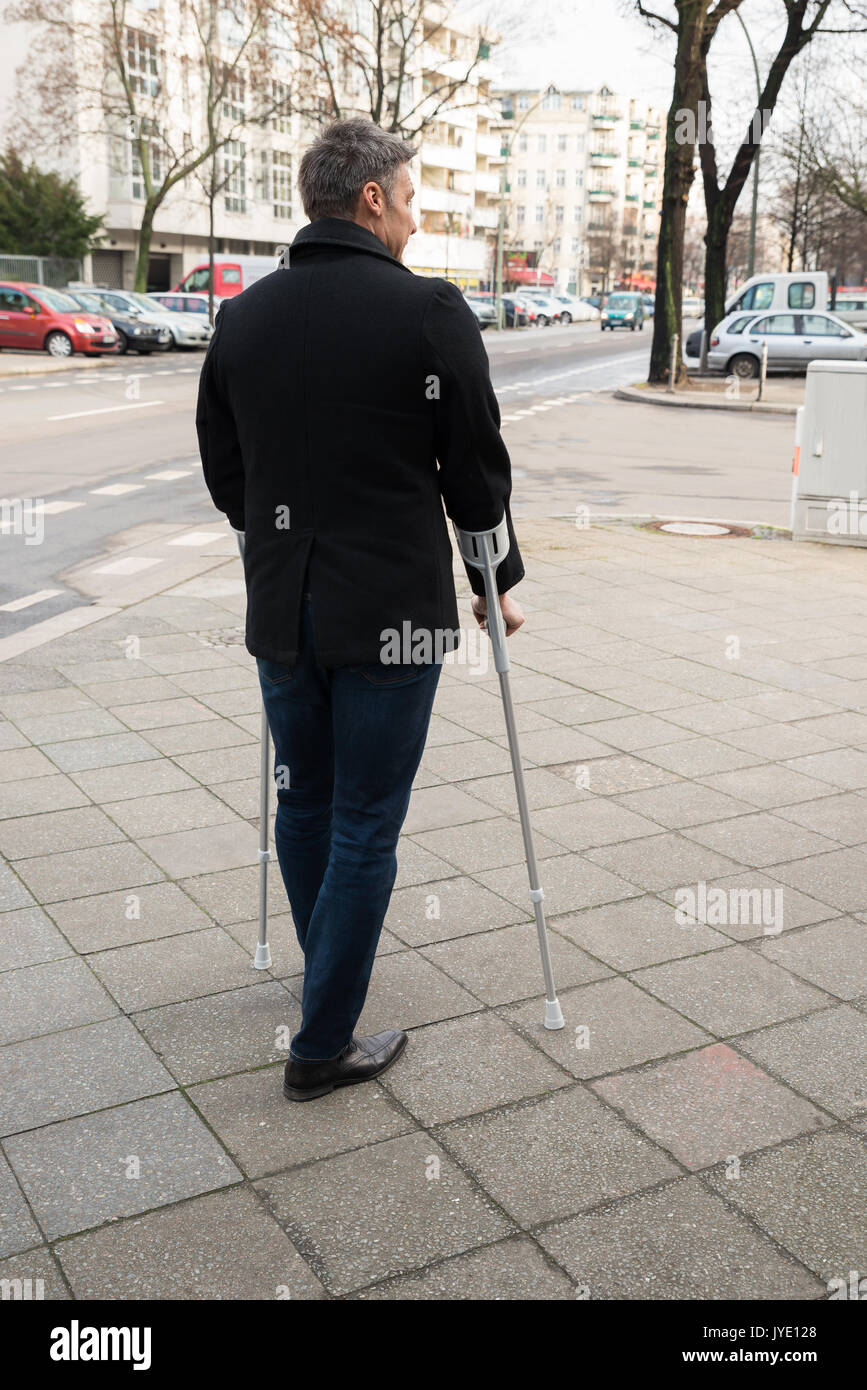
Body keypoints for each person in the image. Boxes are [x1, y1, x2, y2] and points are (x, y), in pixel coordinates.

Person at [196, 117, 524, 1102]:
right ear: (372, 198)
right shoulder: (427, 309)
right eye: (412, 200)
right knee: (366, 821)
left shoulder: (244, 317)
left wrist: (275, 543)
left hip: (282, 607)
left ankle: (326, 969)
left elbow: (225, 467)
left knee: (306, 801)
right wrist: (494, 581)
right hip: (391, 610)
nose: (417, 221)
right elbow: (475, 467)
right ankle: (322, 1044)